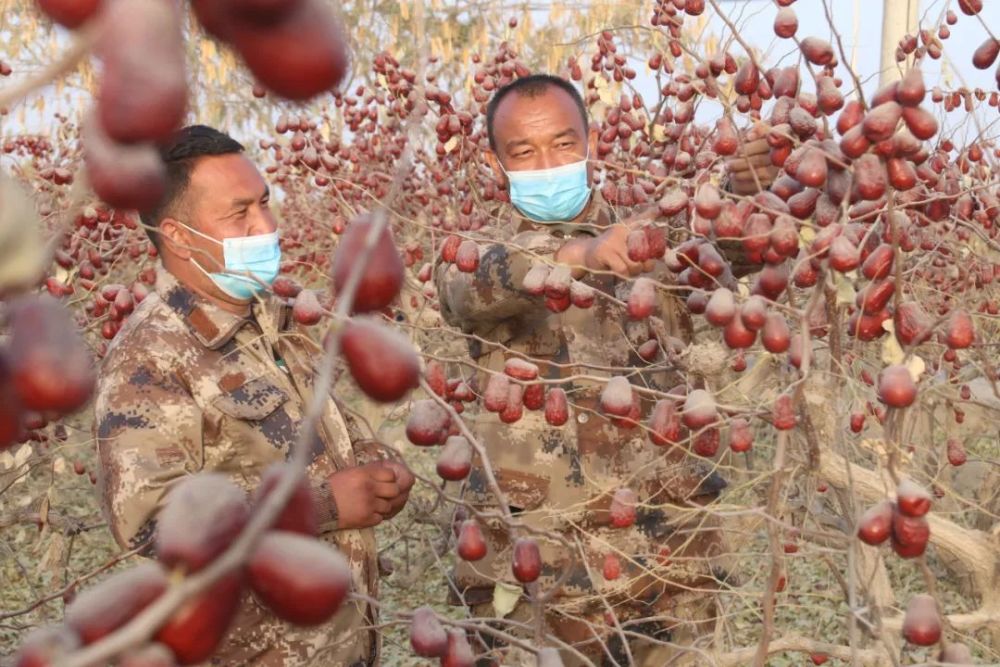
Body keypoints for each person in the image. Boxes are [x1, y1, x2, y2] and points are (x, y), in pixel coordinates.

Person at [435, 75, 775, 666]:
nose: (548, 165)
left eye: (564, 144)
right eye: (524, 152)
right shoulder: (470, 250)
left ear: (590, 143)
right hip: (539, 556)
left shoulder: (654, 231)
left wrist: (746, 186)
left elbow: (741, 242)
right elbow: (473, 286)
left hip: (667, 548)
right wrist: (579, 254)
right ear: (496, 163)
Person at [92, 125, 413, 666]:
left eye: (264, 203)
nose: (265, 226)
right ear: (179, 236)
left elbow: (328, 440)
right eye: (239, 213)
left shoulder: (273, 325)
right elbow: (152, 525)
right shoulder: (149, 358)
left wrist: (378, 470)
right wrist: (325, 503)